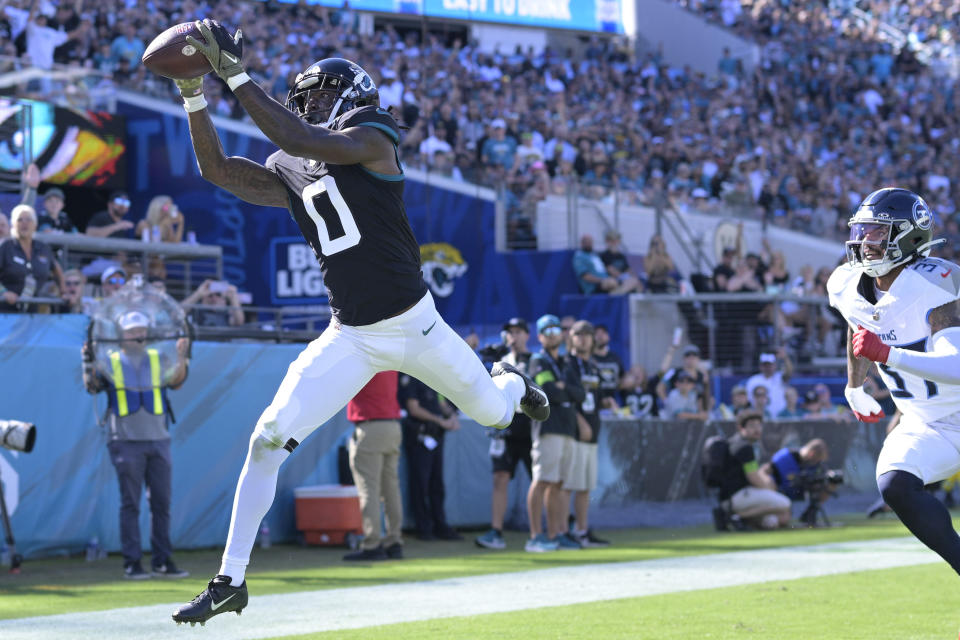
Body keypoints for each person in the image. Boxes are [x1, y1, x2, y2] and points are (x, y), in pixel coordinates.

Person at [168, 35, 548, 625]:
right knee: (265, 440)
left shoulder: (374, 135)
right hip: (351, 335)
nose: (307, 108)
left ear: (351, 94)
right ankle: (229, 580)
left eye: (317, 98)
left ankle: (515, 385)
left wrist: (237, 78)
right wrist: (195, 95)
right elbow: (219, 170)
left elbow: (307, 139)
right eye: (303, 101)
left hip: (417, 324)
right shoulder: (293, 161)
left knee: (495, 415)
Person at [828, 187, 960, 578]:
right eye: (863, 230)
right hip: (926, 421)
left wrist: (888, 355)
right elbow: (859, 328)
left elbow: (957, 366)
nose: (865, 241)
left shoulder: (934, 284)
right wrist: (855, 386)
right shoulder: (847, 284)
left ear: (909, 235)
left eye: (877, 232)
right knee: (895, 484)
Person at [82, 310, 191, 579]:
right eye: (132, 331)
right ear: (121, 335)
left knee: (161, 504)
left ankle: (162, 561)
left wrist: (181, 355)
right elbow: (92, 386)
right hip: (125, 442)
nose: (138, 334)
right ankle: (132, 563)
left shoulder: (158, 357)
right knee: (130, 504)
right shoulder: (111, 360)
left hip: (159, 440)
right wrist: (87, 360)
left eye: (141, 329)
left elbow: (176, 382)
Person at [525, 314, 583, 552]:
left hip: (567, 427)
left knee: (558, 483)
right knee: (542, 481)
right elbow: (548, 390)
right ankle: (535, 536)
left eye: (556, 329)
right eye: (546, 330)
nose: (552, 333)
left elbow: (580, 394)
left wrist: (565, 390)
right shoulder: (538, 360)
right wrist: (565, 391)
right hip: (548, 427)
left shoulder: (566, 362)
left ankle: (555, 534)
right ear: (539, 336)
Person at [476, 317, 534, 551]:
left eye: (519, 331)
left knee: (539, 481)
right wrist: (487, 360)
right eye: (510, 332)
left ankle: (542, 531)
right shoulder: (499, 361)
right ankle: (496, 531)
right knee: (500, 477)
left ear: (527, 335)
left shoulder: (536, 361)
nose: (514, 336)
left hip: (530, 425)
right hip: (506, 424)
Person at [343, 371, 403, 561]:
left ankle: (372, 544)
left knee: (369, 489)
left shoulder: (363, 357)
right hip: (393, 426)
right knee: (390, 489)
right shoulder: (390, 357)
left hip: (370, 427)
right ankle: (394, 542)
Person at [399, 374, 462, 541]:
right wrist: (440, 421)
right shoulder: (412, 375)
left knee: (437, 484)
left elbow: (440, 403)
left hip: (436, 436)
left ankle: (440, 524)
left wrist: (452, 415)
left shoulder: (433, 376)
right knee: (420, 484)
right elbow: (413, 408)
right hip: (419, 437)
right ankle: (424, 527)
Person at [564, 320, 609, 547]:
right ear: (570, 337)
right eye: (578, 334)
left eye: (587, 334)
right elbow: (565, 399)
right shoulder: (567, 364)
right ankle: (562, 531)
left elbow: (596, 397)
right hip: (574, 432)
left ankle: (582, 531)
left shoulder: (593, 366)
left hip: (592, 431)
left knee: (585, 486)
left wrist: (607, 401)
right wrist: (580, 422)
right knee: (568, 484)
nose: (583, 338)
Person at [720, 410, 792, 530]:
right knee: (785, 504)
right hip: (739, 496)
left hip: (730, 497)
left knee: (773, 521)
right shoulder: (745, 447)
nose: (757, 429)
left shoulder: (735, 442)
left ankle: (745, 520)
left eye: (759, 425)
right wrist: (771, 490)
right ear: (740, 427)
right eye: (752, 426)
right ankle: (736, 516)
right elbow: (753, 477)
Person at [0, 204, 63, 312]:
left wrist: (64, 292)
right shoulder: (5, 247)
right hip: (5, 312)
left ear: (35, 224)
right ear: (13, 225)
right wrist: (3, 292)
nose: (24, 223)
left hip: (33, 313)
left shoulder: (43, 248)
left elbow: (57, 271)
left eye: (28, 219)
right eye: (20, 220)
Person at [744, 348, 793, 417]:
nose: (767, 367)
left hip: (780, 417)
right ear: (760, 366)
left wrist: (785, 358)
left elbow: (789, 372)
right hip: (761, 416)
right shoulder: (753, 380)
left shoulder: (779, 377)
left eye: (770, 365)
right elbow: (749, 400)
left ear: (775, 365)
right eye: (765, 365)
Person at [180, 279, 244, 327]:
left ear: (224, 300)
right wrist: (198, 294)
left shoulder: (227, 314)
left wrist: (233, 297)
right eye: (210, 295)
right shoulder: (195, 310)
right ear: (203, 298)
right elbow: (177, 313)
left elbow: (239, 322)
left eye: (218, 295)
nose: (214, 298)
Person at [591, 323, 625, 410]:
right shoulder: (589, 359)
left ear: (608, 337)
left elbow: (622, 379)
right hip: (593, 404)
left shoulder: (615, 358)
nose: (600, 336)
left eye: (603, 333)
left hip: (612, 404)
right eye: (597, 334)